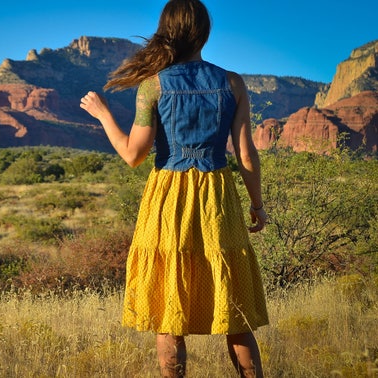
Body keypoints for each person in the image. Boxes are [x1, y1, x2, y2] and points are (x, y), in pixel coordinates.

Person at [80, 0, 269, 377]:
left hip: (168, 197)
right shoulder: (232, 82)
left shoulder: (152, 86)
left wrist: (103, 115)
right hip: (217, 195)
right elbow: (246, 154)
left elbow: (133, 155)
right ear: (204, 32)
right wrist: (256, 204)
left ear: (166, 31)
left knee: (169, 304)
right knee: (235, 307)